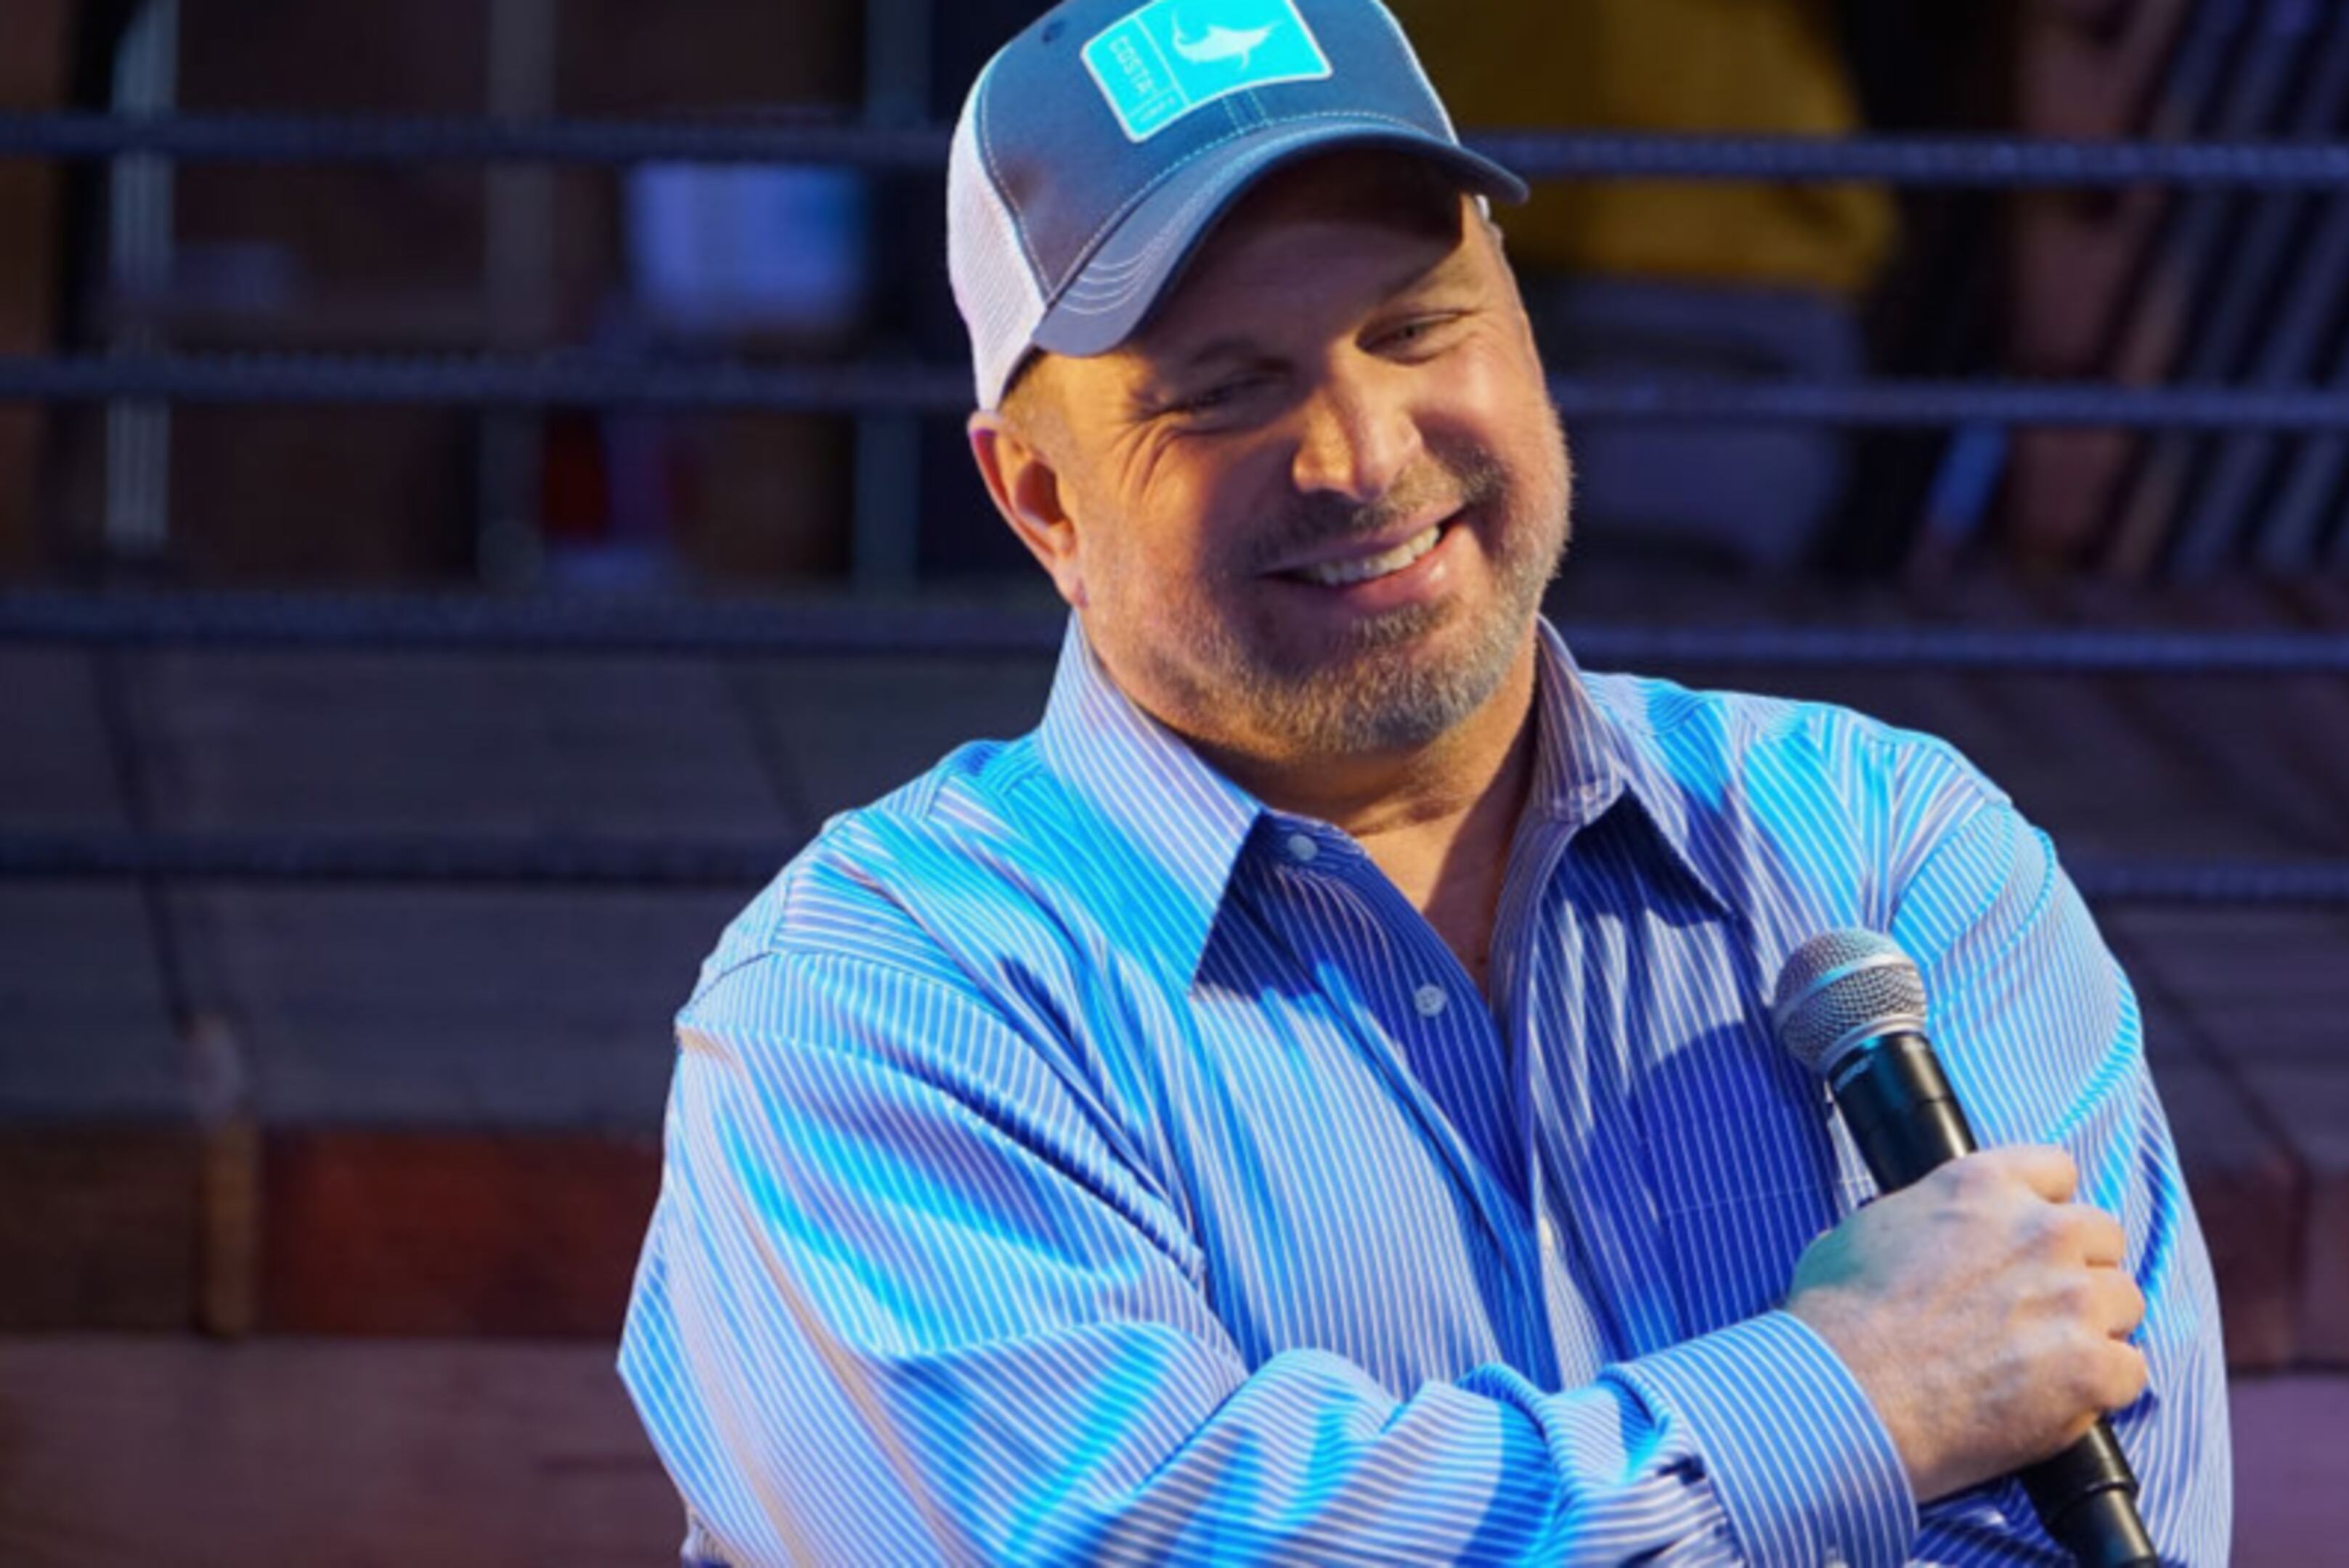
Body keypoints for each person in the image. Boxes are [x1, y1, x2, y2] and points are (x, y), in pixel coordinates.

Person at [618, 1, 2231, 1561]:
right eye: (1227, 389)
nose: (1366, 454)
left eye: (1416, 327)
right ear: (1039, 497)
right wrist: (1850, 1403)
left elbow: (2102, 1523)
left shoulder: (1894, 854)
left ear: (1523, 322)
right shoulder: (878, 1008)